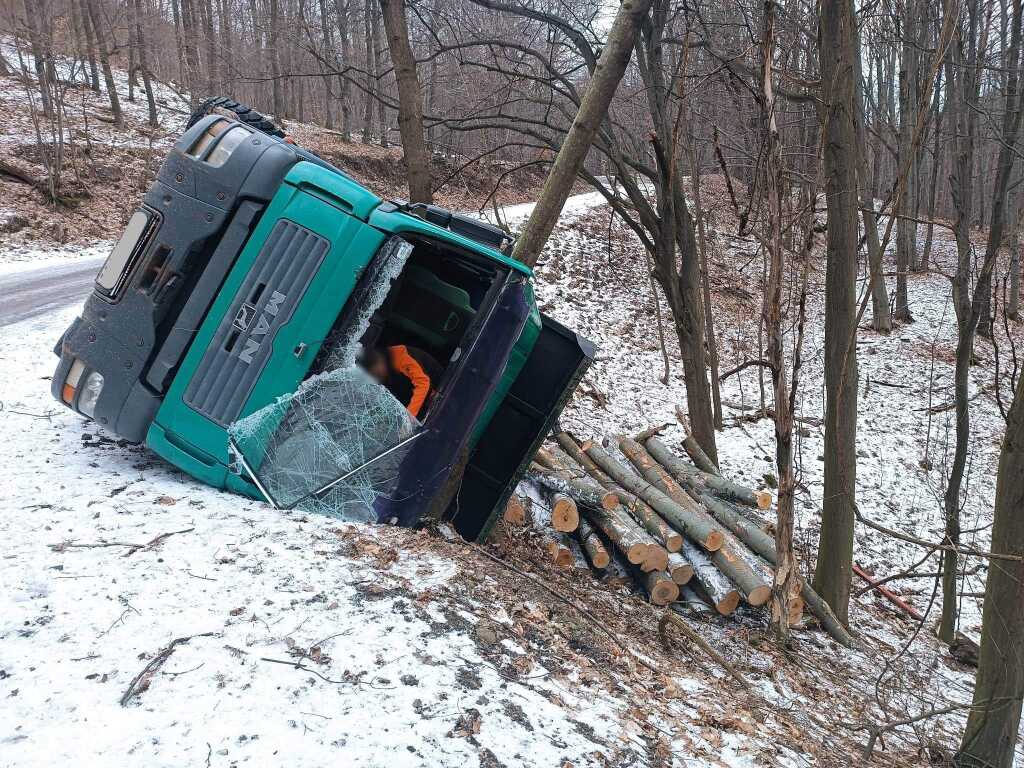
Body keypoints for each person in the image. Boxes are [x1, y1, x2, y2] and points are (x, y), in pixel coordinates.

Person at [362, 345, 442, 419]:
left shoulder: (402, 356)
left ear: (380, 360)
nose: (379, 379)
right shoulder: (384, 372)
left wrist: (408, 420)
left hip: (440, 388)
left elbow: (423, 383)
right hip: (417, 399)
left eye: (378, 374)